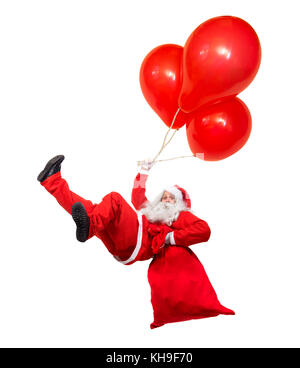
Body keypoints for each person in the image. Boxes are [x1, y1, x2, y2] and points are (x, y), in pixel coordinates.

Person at [37, 155, 211, 265]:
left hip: (137, 242)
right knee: (92, 210)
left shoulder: (178, 215)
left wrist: (170, 238)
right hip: (124, 246)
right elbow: (137, 196)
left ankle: (89, 227)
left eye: (171, 198)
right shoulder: (153, 211)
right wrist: (144, 171)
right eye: (164, 196)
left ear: (178, 203)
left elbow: (204, 230)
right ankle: (52, 180)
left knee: (114, 200)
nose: (166, 200)